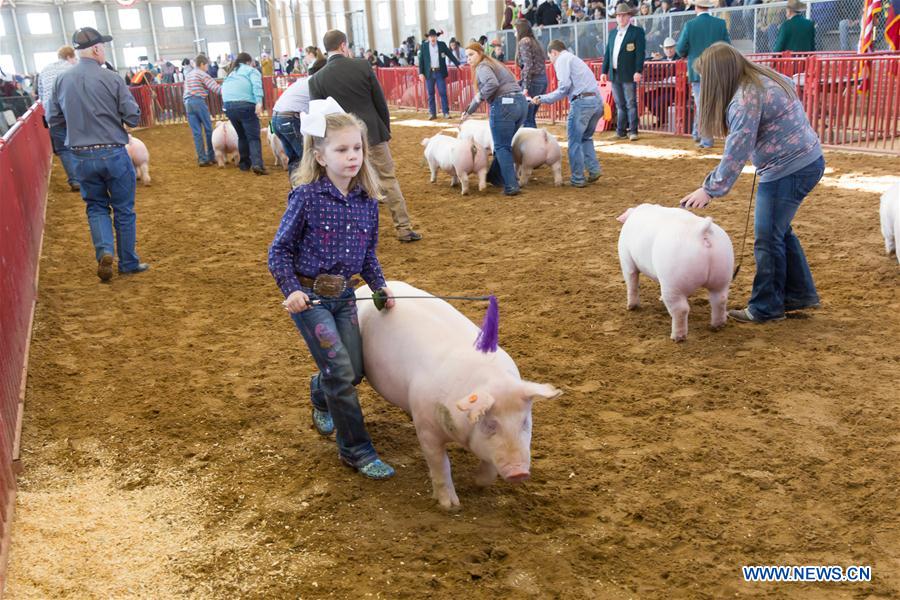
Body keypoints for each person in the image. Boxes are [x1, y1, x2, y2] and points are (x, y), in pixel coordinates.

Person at [268, 101, 397, 480]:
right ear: (320, 156)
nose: (352, 156)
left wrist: (380, 286)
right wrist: (292, 290)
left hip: (345, 297)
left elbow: (367, 253)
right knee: (341, 372)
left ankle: (319, 390)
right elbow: (279, 250)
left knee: (352, 370)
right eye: (342, 149)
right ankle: (356, 449)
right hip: (311, 299)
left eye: (357, 148)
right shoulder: (306, 197)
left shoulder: (367, 201)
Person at [680, 43, 823, 324]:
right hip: (806, 159)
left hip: (788, 168)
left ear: (718, 75)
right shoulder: (763, 77)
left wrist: (709, 189)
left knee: (768, 237)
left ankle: (766, 307)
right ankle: (799, 293)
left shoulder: (745, 98)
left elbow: (737, 150)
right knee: (779, 231)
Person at [47, 27, 147, 281]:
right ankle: (128, 262)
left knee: (96, 207)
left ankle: (104, 250)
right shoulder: (112, 78)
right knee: (124, 209)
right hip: (113, 152)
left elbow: (52, 119)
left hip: (80, 155)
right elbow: (133, 117)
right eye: (103, 47)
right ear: (96, 49)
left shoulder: (61, 80)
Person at [310, 29, 422, 243]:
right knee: (388, 179)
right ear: (343, 45)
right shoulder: (362, 66)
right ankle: (404, 228)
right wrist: (384, 129)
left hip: (342, 142)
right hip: (373, 134)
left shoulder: (316, 80)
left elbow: (319, 118)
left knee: (346, 185)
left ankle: (352, 235)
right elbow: (380, 102)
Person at [532, 39, 603, 187]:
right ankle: (594, 170)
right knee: (585, 138)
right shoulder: (573, 58)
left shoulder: (562, 60)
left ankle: (578, 178)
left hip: (582, 102)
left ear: (554, 52)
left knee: (574, 142)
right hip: (596, 102)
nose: (551, 61)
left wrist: (542, 98)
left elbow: (563, 87)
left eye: (550, 57)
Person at [460, 42, 527, 197]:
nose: (468, 59)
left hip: (504, 105)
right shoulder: (495, 63)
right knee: (504, 144)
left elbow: (492, 83)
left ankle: (511, 185)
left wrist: (474, 103)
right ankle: (495, 176)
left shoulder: (482, 66)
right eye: (467, 56)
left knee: (501, 147)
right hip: (520, 104)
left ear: (480, 53)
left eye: (471, 55)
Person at [676, 0, 730, 148]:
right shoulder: (720, 24)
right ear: (709, 7)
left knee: (702, 105)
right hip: (717, 71)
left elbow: (680, 49)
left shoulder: (690, 25)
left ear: (696, 7)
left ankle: (706, 140)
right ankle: (697, 133)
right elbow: (728, 47)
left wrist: (689, 53)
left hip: (697, 71)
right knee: (706, 104)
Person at [272, 57, 327, 186]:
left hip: (276, 118)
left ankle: (296, 189)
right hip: (290, 118)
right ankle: (311, 190)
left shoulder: (303, 81)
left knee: (294, 158)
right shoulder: (318, 83)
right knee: (308, 157)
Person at [602, 2, 647, 141]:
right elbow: (608, 53)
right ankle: (620, 131)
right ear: (616, 17)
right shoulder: (612, 33)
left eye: (623, 15)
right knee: (620, 105)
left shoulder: (637, 32)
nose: (621, 18)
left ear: (629, 16)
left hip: (629, 73)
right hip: (614, 73)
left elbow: (640, 53)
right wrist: (604, 71)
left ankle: (633, 131)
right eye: (618, 16)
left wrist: (638, 70)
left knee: (630, 103)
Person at [38, 45, 80, 192]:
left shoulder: (45, 70)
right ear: (69, 57)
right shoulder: (73, 69)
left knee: (63, 149)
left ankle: (75, 180)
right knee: (81, 144)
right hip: (73, 113)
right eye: (75, 58)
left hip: (53, 115)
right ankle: (87, 176)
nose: (76, 60)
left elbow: (41, 94)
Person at [221, 52, 267, 175]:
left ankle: (244, 164)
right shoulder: (251, 71)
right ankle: (257, 164)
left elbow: (224, 89)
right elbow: (257, 86)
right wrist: (259, 102)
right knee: (253, 137)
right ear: (248, 62)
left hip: (229, 106)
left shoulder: (231, 73)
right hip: (245, 104)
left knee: (241, 136)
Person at [183, 54, 221, 166]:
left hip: (188, 103)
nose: (207, 68)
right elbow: (216, 88)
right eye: (207, 65)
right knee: (208, 129)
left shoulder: (189, 75)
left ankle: (202, 159)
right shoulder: (202, 74)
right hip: (198, 101)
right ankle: (211, 156)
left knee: (197, 133)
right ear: (202, 64)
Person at [418, 29, 461, 120]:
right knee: (430, 94)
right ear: (428, 38)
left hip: (439, 72)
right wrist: (420, 73)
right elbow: (421, 60)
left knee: (443, 92)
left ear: (436, 37)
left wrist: (458, 64)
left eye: (434, 36)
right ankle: (432, 113)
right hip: (429, 73)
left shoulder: (442, 45)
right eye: (431, 37)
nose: (432, 38)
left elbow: (450, 54)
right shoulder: (424, 46)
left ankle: (446, 112)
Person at [515, 19, 549, 129]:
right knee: (530, 116)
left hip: (533, 82)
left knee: (527, 117)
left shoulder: (524, 42)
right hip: (542, 80)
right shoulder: (535, 41)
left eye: (515, 30)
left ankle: (531, 139)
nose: (515, 32)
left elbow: (528, 65)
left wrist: (525, 86)